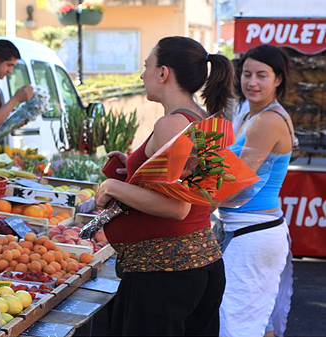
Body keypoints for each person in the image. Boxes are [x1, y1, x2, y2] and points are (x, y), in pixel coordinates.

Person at [96, 36, 234, 336]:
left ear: (163, 73)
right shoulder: (205, 120)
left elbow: (176, 207)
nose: (142, 75)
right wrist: (136, 169)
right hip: (200, 266)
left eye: (147, 66)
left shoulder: (171, 125)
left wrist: (112, 187)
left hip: (165, 277)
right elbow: (206, 199)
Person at [218, 45, 293, 337]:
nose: (251, 82)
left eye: (262, 75)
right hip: (247, 230)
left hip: (253, 232)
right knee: (248, 321)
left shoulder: (269, 120)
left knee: (236, 325)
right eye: (247, 74)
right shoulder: (250, 113)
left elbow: (233, 181)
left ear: (278, 80)